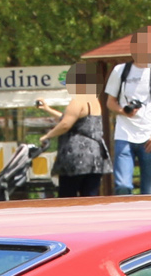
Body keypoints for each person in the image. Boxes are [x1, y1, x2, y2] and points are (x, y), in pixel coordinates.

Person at [105, 28, 151, 195]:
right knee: (123, 185)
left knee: (149, 189)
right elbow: (110, 102)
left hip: (150, 136)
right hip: (124, 135)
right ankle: (125, 217)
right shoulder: (120, 70)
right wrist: (123, 111)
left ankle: (146, 219)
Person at [42, 61, 109, 198]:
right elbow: (76, 121)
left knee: (68, 196)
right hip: (95, 157)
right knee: (90, 196)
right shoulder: (94, 100)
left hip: (77, 158)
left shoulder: (78, 101)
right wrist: (48, 109)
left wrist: (47, 136)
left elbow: (66, 124)